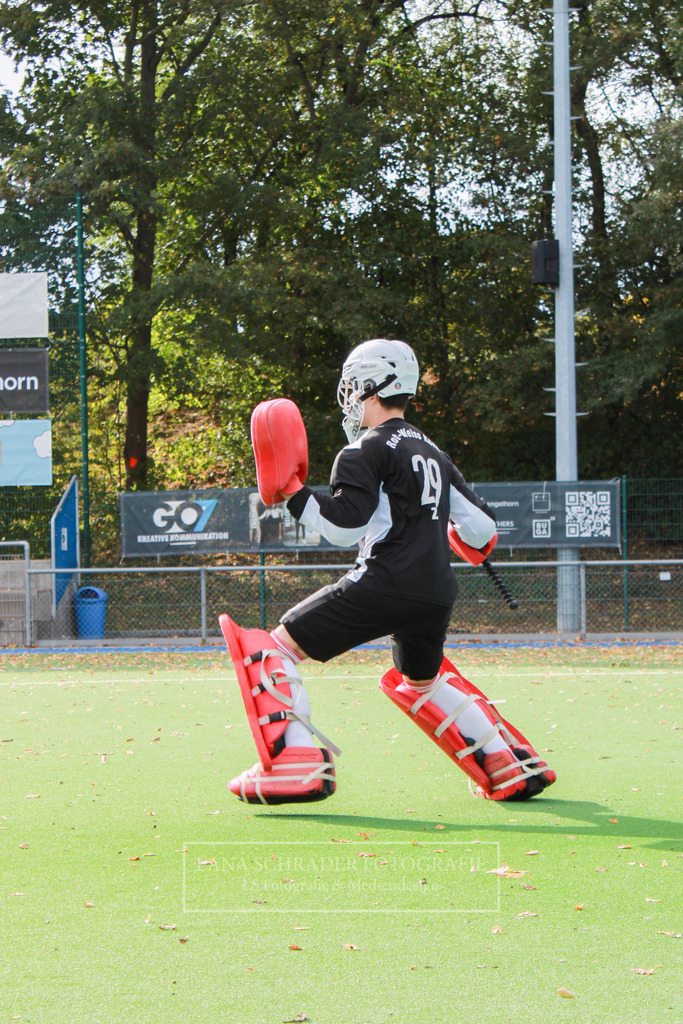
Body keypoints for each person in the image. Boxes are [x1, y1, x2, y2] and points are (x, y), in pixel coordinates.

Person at [222, 339, 555, 804]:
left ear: (372, 386)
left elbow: (344, 526)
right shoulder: (432, 450)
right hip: (437, 591)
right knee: (424, 680)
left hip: (384, 581)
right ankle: (505, 763)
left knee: (274, 648)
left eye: (354, 387)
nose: (351, 397)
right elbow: (481, 530)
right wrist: (459, 539)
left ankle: (294, 764)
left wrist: (293, 493)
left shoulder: (363, 449)